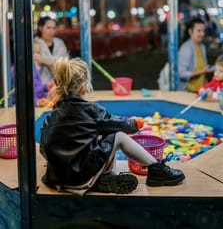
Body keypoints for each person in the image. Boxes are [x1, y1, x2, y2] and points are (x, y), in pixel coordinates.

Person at [40, 57, 185, 195]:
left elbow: (44, 150)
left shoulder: (50, 117)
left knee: (89, 140)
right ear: (84, 86)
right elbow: (118, 124)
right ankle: (156, 169)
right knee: (118, 135)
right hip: (82, 176)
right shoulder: (91, 111)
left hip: (57, 179)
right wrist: (134, 124)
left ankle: (98, 180)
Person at [178, 17, 214, 92]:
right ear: (190, 31)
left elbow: (203, 68)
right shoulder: (186, 48)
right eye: (199, 31)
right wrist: (202, 71)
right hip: (188, 92)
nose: (202, 34)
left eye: (203, 31)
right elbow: (181, 74)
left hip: (200, 91)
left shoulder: (202, 46)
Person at [34, 16, 69, 85]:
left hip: (60, 84)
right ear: (40, 28)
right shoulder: (35, 44)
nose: (51, 31)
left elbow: (64, 62)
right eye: (48, 28)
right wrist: (54, 62)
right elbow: (35, 64)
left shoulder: (60, 42)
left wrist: (41, 59)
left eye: (54, 28)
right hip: (41, 85)